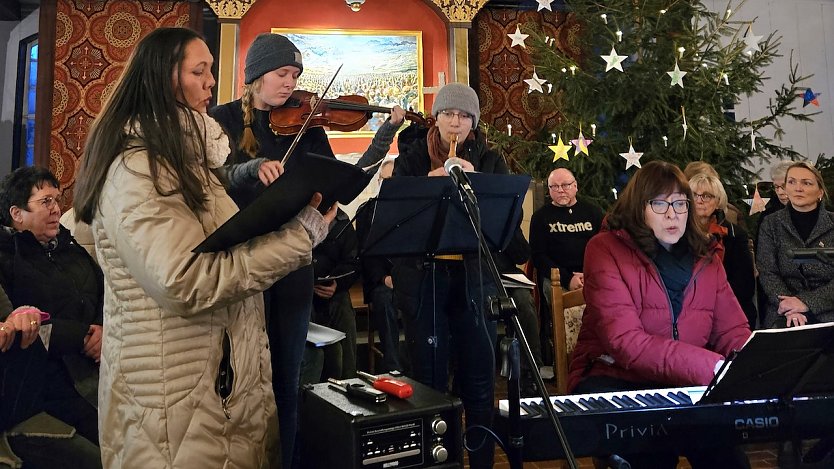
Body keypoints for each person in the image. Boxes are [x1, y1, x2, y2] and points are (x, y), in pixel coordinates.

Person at [72, 27, 335, 468]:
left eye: (210, 70)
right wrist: (299, 237)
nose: (212, 82)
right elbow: (187, 280)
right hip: (173, 401)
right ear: (163, 79)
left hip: (210, 390)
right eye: (200, 72)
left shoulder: (185, 160)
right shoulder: (139, 168)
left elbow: (221, 245)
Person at [208, 33, 405, 467]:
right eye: (282, 73)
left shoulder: (309, 127)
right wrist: (252, 169)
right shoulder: (221, 119)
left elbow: (343, 181)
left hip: (295, 261)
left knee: (289, 377)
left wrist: (385, 133)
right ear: (256, 75)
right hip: (241, 261)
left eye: (295, 75)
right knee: (242, 376)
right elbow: (212, 176)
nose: (291, 83)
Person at [569, 161, 751, 469]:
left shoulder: (706, 256)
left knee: (728, 459)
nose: (672, 214)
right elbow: (626, 342)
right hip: (616, 377)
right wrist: (713, 367)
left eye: (680, 204)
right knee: (655, 456)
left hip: (685, 381)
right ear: (638, 207)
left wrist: (754, 367)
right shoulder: (605, 248)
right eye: (659, 203)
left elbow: (732, 331)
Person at [391, 82, 507, 469]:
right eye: (448, 114)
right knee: (430, 384)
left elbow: (502, 230)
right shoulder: (410, 158)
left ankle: (482, 462)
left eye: (464, 116)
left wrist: (480, 187)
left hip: (474, 280)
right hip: (425, 280)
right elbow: (397, 219)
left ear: (474, 123)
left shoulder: (490, 159)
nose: (455, 123)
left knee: (479, 384)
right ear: (435, 118)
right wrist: (430, 186)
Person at [0, 166, 102, 469]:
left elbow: (103, 289)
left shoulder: (70, 247)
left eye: (56, 200)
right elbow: (18, 323)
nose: (56, 208)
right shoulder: (7, 258)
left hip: (99, 364)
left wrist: (102, 328)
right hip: (49, 381)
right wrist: (83, 336)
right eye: (46, 201)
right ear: (17, 213)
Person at [757, 161, 834, 329]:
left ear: (820, 191)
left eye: (806, 183)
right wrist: (790, 307)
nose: (798, 188)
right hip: (784, 311)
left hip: (829, 310)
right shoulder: (771, 224)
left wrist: (806, 302)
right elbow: (768, 272)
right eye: (792, 182)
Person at [689, 173, 757, 328]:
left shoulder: (734, 234)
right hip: (688, 308)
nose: (699, 200)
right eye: (694, 195)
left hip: (728, 307)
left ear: (718, 201)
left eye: (706, 196)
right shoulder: (677, 233)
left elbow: (745, 285)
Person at [355, 158, 403, 373]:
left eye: (392, 180)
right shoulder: (367, 211)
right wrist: (384, 278)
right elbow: (365, 253)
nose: (387, 185)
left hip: (409, 278)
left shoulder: (412, 209)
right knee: (384, 300)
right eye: (384, 180)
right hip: (381, 280)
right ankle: (394, 368)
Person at [530, 168, 603, 294]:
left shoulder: (593, 212)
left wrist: (589, 274)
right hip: (557, 279)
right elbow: (538, 257)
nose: (560, 190)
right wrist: (567, 279)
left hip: (592, 274)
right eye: (554, 186)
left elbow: (603, 249)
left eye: (565, 185)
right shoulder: (540, 217)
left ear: (575, 186)